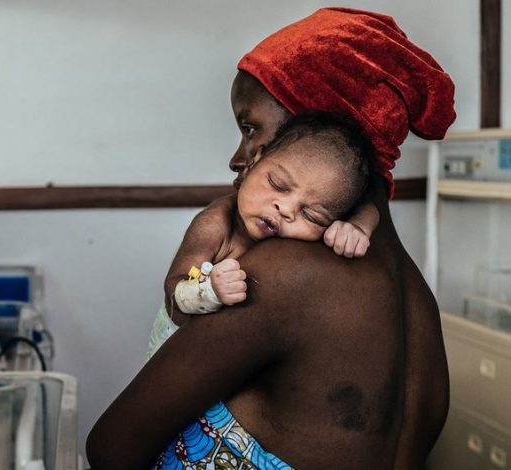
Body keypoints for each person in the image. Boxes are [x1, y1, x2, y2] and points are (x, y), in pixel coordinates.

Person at [87, 7, 455, 469]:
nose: (239, 158)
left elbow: (110, 447)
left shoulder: (286, 274)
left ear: (323, 132)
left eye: (251, 128)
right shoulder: (418, 302)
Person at [146, 111, 378, 360]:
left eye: (311, 215)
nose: (286, 210)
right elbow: (173, 291)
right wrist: (209, 291)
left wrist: (357, 227)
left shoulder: (320, 225)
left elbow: (369, 208)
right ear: (254, 163)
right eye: (277, 184)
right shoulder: (215, 224)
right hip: (176, 349)